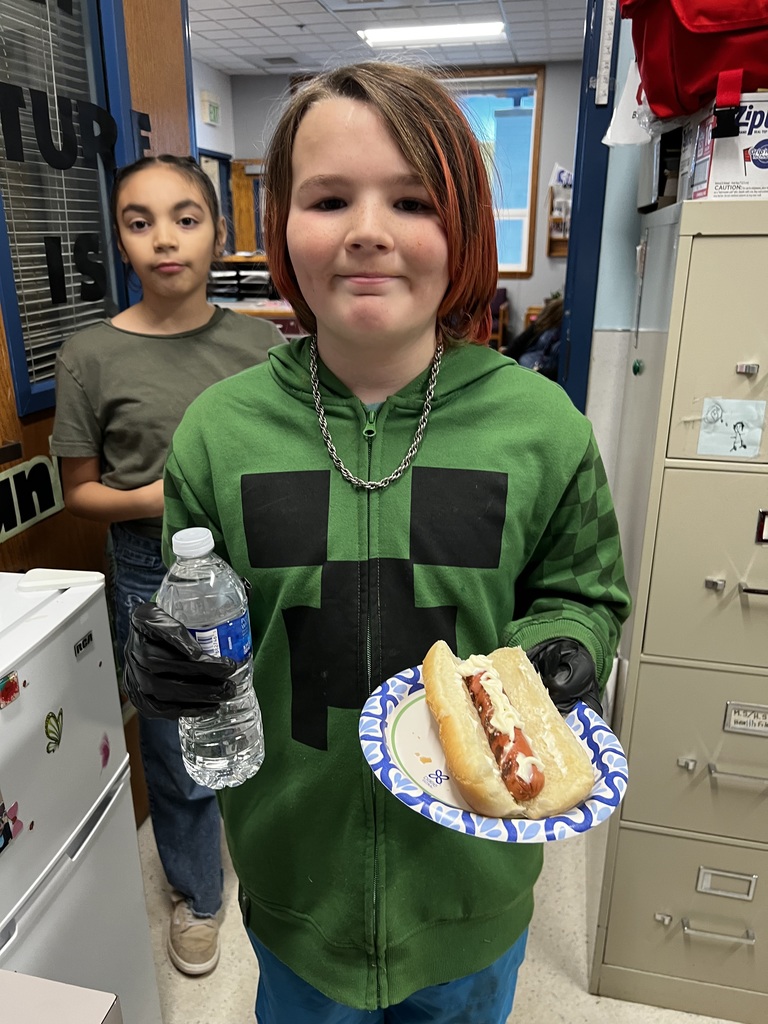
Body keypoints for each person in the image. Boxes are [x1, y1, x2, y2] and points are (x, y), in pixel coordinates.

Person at [123, 64, 631, 1022]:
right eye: (328, 200)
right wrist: (168, 660)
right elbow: (199, 612)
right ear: (283, 226)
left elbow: (582, 589)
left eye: (411, 200)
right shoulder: (218, 433)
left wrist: (569, 641)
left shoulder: (541, 427)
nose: (367, 230)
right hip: (294, 885)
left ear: (464, 227)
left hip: (470, 889)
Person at [50, 154, 284, 976]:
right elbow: (81, 494)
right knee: (181, 736)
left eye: (186, 218)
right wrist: (173, 493)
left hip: (259, 554)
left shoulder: (261, 345)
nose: (164, 239)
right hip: (154, 566)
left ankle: (277, 866)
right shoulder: (89, 354)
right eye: (139, 222)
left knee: (270, 711)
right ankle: (199, 893)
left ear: (218, 232)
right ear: (120, 240)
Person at [503, 296, 564, 380]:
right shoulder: (545, 323)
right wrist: (504, 362)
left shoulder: (566, 338)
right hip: (521, 368)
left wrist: (537, 372)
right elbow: (519, 343)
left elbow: (560, 371)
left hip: (536, 376)